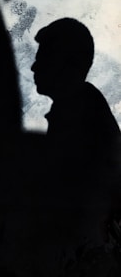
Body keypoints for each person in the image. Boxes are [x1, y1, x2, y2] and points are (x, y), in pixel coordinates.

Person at [31, 18, 121, 261]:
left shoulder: (78, 111)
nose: (33, 66)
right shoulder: (78, 107)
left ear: (64, 63)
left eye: (42, 57)